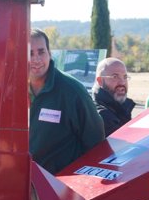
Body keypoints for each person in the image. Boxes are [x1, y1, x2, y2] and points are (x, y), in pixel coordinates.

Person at [28, 28, 105, 174]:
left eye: (41, 52)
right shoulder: (13, 90)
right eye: (29, 53)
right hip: (25, 184)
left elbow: (96, 142)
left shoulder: (72, 91)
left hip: (61, 187)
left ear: (49, 54)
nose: (36, 59)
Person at [93, 57, 135, 136]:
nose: (122, 82)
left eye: (125, 77)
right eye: (115, 77)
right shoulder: (102, 115)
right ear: (100, 81)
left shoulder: (120, 106)